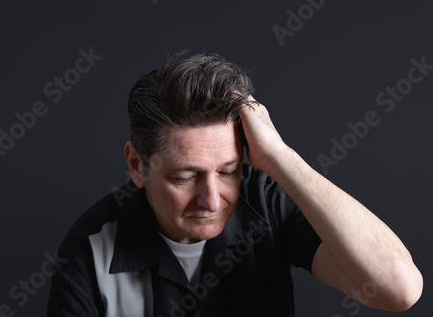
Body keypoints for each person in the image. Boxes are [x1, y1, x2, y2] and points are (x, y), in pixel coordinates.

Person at [47, 52, 423, 316]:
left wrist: (280, 158)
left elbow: (398, 290)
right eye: (185, 177)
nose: (212, 200)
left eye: (228, 171)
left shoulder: (268, 201)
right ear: (137, 165)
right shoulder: (90, 248)